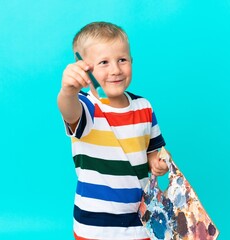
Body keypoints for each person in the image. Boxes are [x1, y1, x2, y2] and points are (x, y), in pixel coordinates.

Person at [57, 21, 168, 240]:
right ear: (84, 69)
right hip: (95, 224)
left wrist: (157, 162)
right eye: (104, 62)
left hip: (140, 220)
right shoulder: (87, 106)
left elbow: (153, 151)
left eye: (122, 60)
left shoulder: (144, 106)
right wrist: (68, 91)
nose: (116, 70)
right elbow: (69, 112)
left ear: (132, 61)